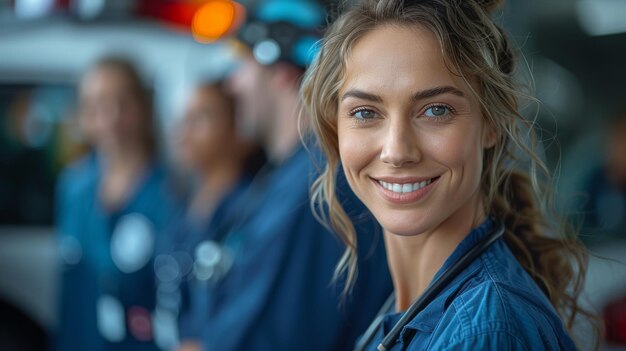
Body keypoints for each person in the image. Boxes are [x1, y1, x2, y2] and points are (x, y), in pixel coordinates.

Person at [301, 0, 597, 350]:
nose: (397, 151)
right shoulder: (418, 306)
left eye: (435, 110)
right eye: (365, 112)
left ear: (490, 124)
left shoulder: (485, 332)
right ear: (335, 128)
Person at [194, 1, 393, 350]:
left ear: (284, 72)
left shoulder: (314, 189)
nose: (233, 84)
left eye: (243, 64)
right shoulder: (286, 176)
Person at [55, 56, 180, 351]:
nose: (109, 116)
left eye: (122, 102)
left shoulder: (171, 192)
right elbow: (68, 292)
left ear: (144, 107)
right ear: (81, 114)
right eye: (95, 104)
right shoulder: (73, 187)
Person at [151, 81, 263, 351]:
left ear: (238, 129)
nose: (183, 131)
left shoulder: (251, 212)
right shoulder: (180, 206)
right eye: (182, 119)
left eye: (200, 118)